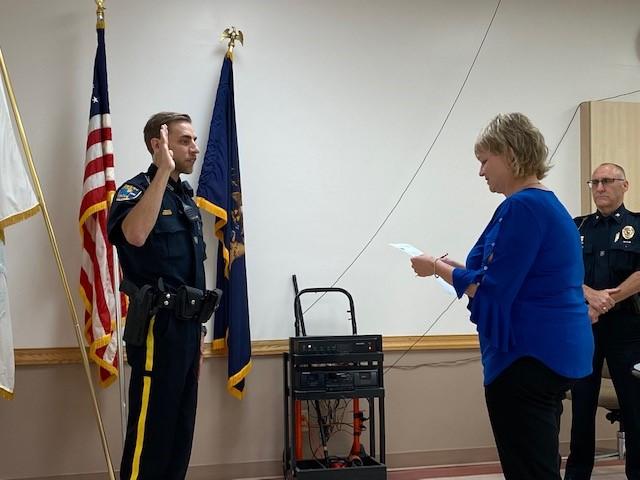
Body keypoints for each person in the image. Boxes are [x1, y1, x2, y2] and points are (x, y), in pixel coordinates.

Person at [411, 112, 594, 480]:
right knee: (538, 460)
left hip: (527, 356)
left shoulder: (524, 207)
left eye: (484, 161)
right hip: (552, 352)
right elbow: (506, 277)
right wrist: (454, 270)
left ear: (509, 154)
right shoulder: (545, 205)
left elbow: (493, 290)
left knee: (529, 469)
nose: (481, 172)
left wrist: (436, 267)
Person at [108, 112, 216, 479]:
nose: (195, 149)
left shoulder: (185, 198)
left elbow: (191, 273)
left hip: (187, 331)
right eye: (185, 140)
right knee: (151, 434)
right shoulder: (135, 191)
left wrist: (198, 334)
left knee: (178, 434)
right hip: (158, 328)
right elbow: (136, 235)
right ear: (159, 144)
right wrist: (160, 172)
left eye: (194, 140)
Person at [565, 163, 640, 480]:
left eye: (607, 181)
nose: (599, 187)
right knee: (581, 405)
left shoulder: (638, 225)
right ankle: (578, 473)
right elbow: (561, 270)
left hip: (629, 330)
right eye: (594, 182)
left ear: (625, 185)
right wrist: (589, 296)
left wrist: (607, 300)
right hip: (585, 327)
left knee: (636, 407)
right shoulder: (576, 227)